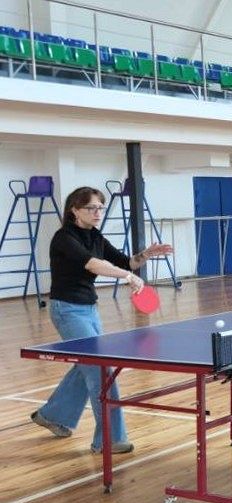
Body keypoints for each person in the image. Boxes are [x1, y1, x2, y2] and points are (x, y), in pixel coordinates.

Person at [30, 186, 173, 454]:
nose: (98, 213)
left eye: (100, 208)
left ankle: (53, 415)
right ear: (75, 210)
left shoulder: (95, 236)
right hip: (67, 311)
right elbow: (93, 264)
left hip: (89, 310)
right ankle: (110, 439)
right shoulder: (64, 238)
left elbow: (127, 262)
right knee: (101, 369)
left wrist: (146, 254)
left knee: (87, 365)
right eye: (91, 208)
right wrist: (127, 277)